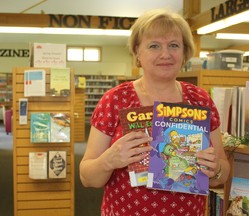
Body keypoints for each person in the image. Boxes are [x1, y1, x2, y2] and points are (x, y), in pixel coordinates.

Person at [80, 8, 230, 216]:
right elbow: (87, 177)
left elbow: (222, 171)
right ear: (138, 53)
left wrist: (215, 170)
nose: (165, 54)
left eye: (174, 45)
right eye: (154, 46)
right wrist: (110, 160)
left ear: (184, 52)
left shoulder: (200, 100)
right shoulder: (116, 100)